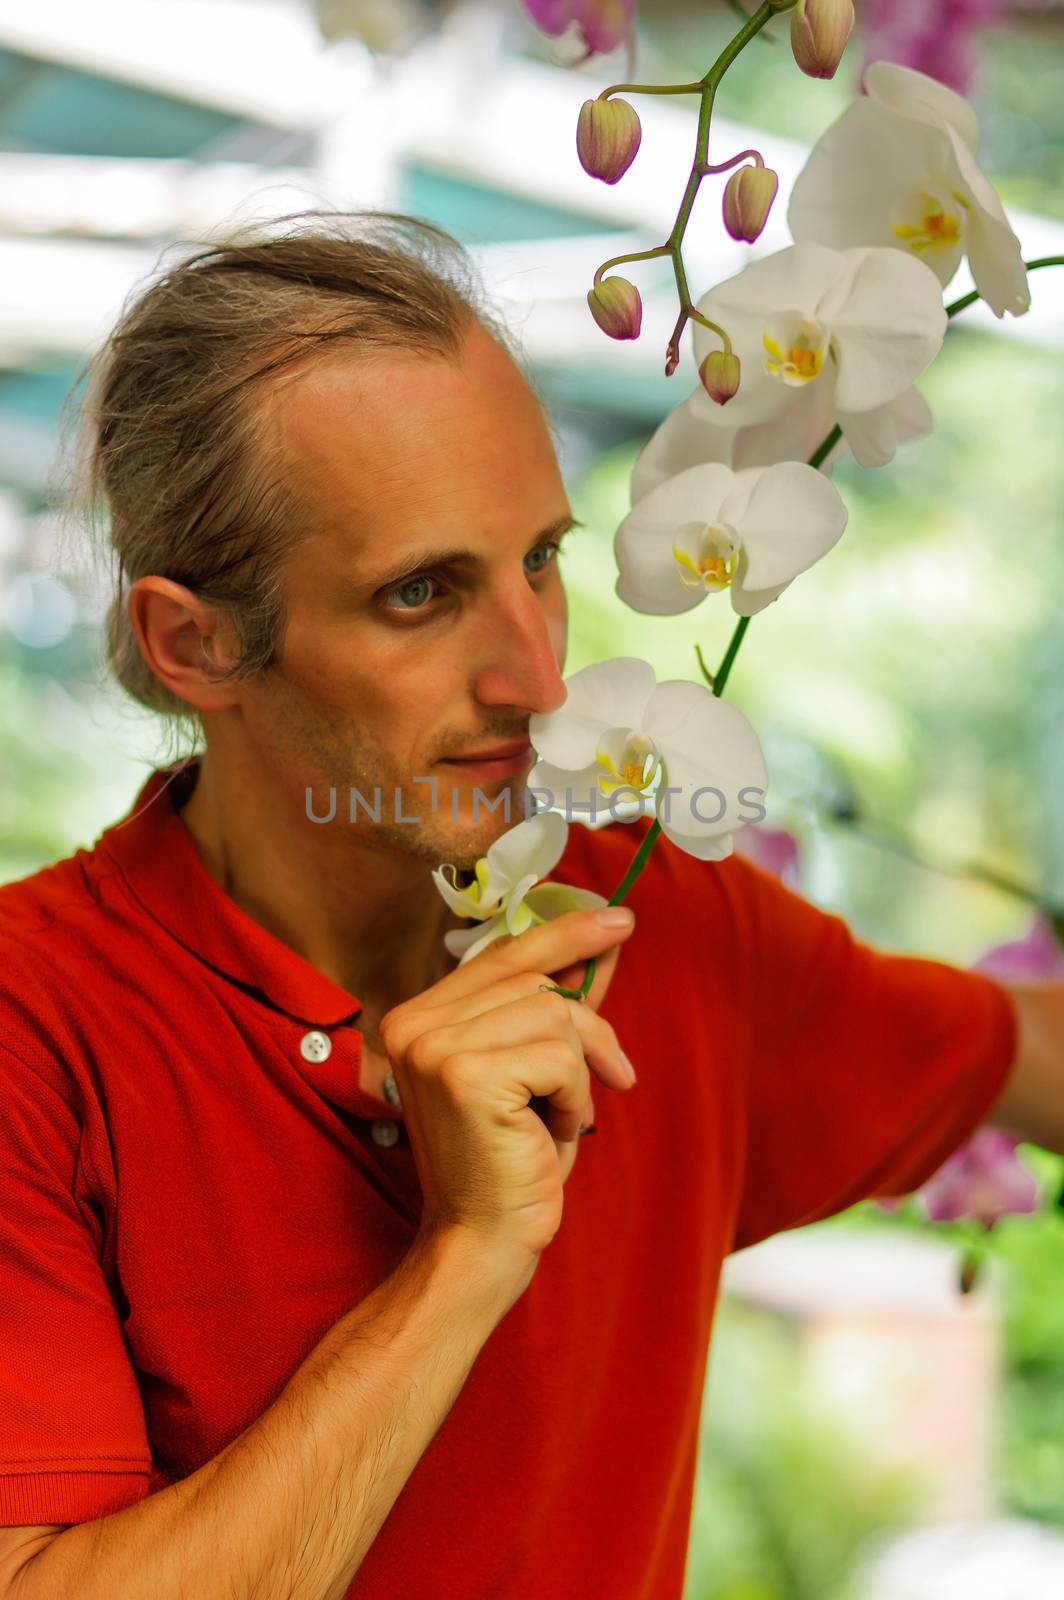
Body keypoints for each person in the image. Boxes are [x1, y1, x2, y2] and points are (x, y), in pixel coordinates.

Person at [0, 212, 1058, 1600]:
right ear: (193, 644)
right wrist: (468, 1252)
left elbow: (1031, 1050)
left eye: (542, 560)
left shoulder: (654, 923)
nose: (538, 680)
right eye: (421, 594)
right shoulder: (37, 1035)